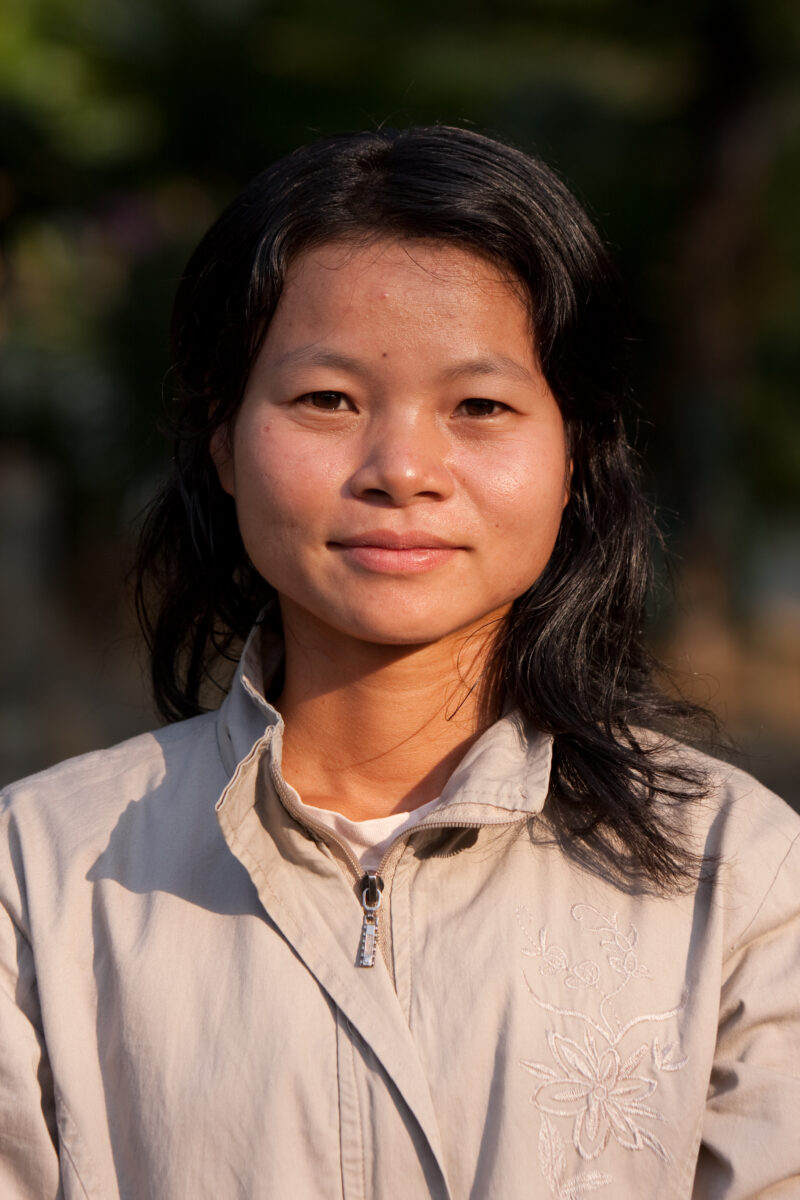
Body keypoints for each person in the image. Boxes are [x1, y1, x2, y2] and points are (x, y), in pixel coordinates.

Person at [1, 126, 798, 1200]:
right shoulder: (37, 876)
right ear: (223, 441)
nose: (402, 469)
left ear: (573, 453)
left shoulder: (736, 873)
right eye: (327, 399)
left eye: (478, 406)